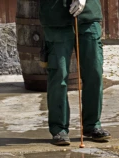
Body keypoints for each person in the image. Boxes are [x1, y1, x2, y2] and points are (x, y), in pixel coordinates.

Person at [40, 0, 111, 146]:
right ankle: (59, 129)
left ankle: (92, 125)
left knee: (95, 71)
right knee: (59, 74)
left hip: (88, 15)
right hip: (56, 17)